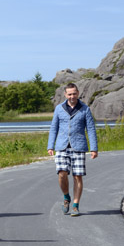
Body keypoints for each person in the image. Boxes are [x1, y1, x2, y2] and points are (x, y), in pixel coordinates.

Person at [47, 83, 98, 216]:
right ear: (65, 95)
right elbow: (54, 128)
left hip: (79, 147)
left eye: (74, 93)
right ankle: (66, 196)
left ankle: (75, 205)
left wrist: (94, 148)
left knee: (77, 176)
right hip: (62, 146)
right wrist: (50, 146)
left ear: (78, 93)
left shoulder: (85, 109)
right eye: (69, 94)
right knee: (62, 174)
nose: (72, 96)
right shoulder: (59, 109)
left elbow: (91, 129)